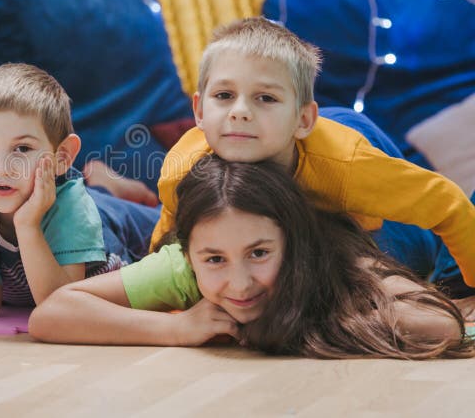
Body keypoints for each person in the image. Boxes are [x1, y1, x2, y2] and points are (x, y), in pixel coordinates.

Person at [149, 17, 475, 316]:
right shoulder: (183, 170)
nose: (240, 111)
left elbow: (446, 204)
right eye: (224, 95)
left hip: (355, 173)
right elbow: (169, 240)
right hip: (297, 142)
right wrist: (171, 311)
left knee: (398, 268)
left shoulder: (348, 168)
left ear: (304, 119)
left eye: (265, 98)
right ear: (199, 111)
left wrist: (470, 289)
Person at [29, 155, 474, 359]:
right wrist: (175, 327)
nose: (239, 285)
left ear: (293, 245)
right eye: (215, 260)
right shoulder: (184, 266)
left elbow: (443, 324)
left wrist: (298, 315)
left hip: (391, 222)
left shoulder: (330, 256)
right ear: (188, 253)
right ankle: (114, 187)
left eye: (259, 254)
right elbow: (51, 313)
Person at [0, 63, 159, 317]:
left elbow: (60, 305)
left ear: (62, 155)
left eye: (22, 149)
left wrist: (27, 224)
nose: (1, 168)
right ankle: (100, 182)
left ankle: (104, 186)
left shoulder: (71, 203)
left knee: (169, 226)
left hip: (105, 225)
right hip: (73, 199)